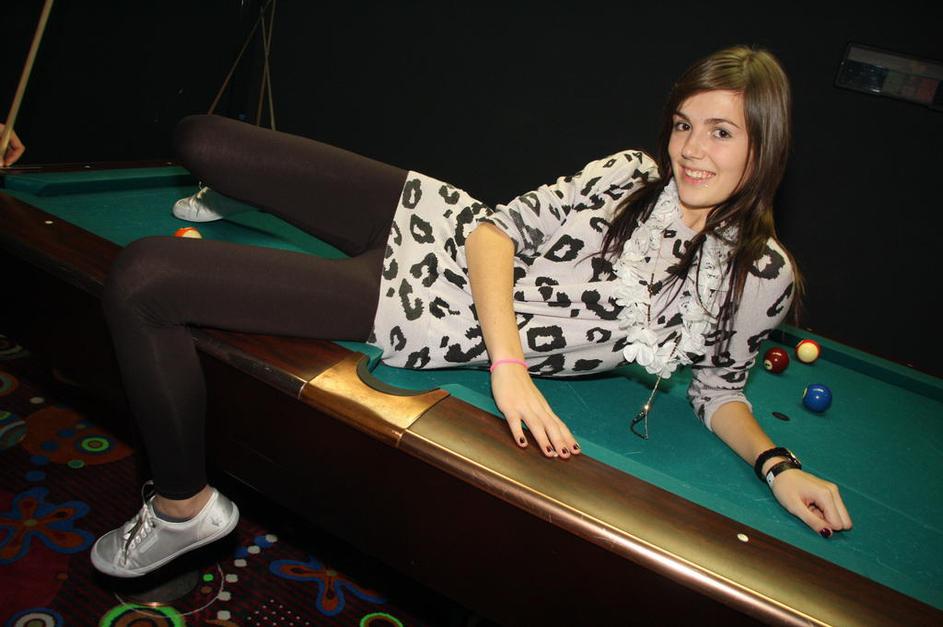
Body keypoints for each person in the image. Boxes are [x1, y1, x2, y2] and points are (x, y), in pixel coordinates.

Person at [90, 45, 852, 578]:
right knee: (199, 136)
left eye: (720, 132)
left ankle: (183, 510)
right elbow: (493, 231)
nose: (690, 149)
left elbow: (717, 388)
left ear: (764, 146)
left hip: (424, 308)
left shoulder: (759, 278)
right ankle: (249, 198)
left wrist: (777, 466)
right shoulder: (626, 173)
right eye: (684, 124)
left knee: (144, 276)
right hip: (431, 217)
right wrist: (510, 368)